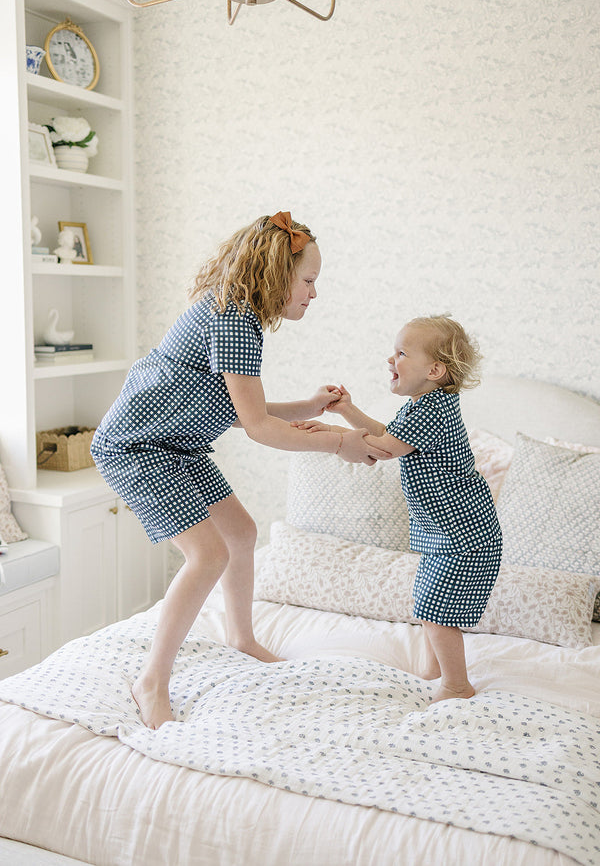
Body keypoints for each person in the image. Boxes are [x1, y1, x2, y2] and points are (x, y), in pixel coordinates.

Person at [91, 212, 389, 729]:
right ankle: (152, 681)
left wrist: (312, 407)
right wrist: (339, 442)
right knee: (207, 556)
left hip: (177, 446)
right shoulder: (233, 321)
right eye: (309, 281)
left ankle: (241, 638)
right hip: (138, 447)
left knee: (242, 535)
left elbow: (243, 406)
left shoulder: (235, 315)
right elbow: (255, 425)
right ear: (278, 275)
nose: (313, 294)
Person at [293, 315, 502, 703]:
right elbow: (386, 436)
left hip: (463, 536)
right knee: (428, 600)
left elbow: (383, 449)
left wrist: (332, 435)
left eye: (402, 353)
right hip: (449, 533)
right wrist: (344, 416)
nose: (391, 360)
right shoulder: (423, 405)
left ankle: (457, 683)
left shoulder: (432, 411)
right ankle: (432, 670)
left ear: (434, 370)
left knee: (438, 611)